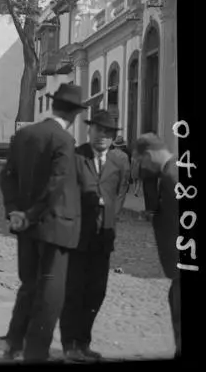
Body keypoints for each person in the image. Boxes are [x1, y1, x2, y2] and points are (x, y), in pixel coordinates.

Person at [0, 83, 86, 362]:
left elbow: (6, 176)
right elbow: (56, 184)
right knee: (50, 292)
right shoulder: (64, 140)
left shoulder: (25, 134)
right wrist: (32, 213)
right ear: (74, 115)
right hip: (55, 226)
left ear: (52, 106)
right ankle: (36, 352)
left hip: (26, 227)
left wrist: (15, 211)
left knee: (29, 285)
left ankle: (14, 343)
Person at [59, 110, 130, 362]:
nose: (102, 136)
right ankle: (70, 345)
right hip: (76, 238)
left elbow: (121, 190)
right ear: (89, 131)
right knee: (74, 291)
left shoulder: (120, 161)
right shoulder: (76, 157)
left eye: (108, 132)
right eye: (98, 130)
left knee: (96, 292)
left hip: (103, 238)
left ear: (113, 137)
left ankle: (84, 342)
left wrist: (111, 213)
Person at [133, 133, 181, 358]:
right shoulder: (170, 171)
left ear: (149, 155)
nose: (141, 167)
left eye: (141, 161)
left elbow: (176, 226)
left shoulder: (172, 176)